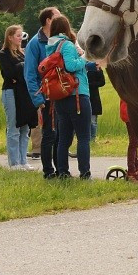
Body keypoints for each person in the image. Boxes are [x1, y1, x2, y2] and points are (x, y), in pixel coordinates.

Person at [46, 16, 94, 179]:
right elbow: (71, 66)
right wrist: (84, 57)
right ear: (66, 28)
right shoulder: (66, 45)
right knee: (83, 137)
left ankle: (63, 172)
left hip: (60, 97)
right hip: (77, 95)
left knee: (64, 138)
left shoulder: (51, 46)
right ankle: (85, 172)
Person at [25, 6, 63, 178]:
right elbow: (30, 74)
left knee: (62, 135)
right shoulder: (35, 43)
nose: (61, 17)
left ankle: (62, 169)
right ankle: (49, 172)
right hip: (46, 95)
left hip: (62, 94)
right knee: (49, 135)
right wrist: (38, 100)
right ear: (48, 20)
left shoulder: (60, 40)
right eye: (57, 15)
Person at [0, 24, 35, 170]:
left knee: (25, 128)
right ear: (10, 37)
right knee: (14, 127)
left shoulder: (22, 53)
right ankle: (14, 163)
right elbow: (9, 74)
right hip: (11, 93)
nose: (21, 38)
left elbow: (26, 72)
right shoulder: (4, 54)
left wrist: (20, 68)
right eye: (18, 36)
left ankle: (23, 160)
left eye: (21, 35)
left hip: (24, 93)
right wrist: (22, 68)